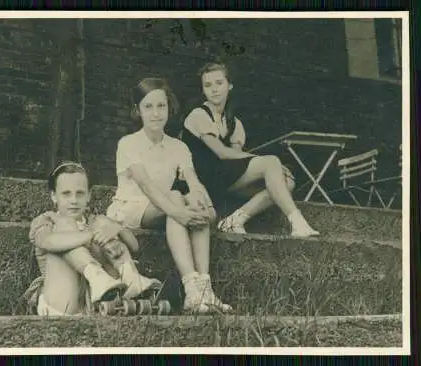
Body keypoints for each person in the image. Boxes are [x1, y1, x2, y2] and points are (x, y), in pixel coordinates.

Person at [106, 77, 232, 313]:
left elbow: (194, 182)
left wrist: (206, 207)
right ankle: (191, 289)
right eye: (148, 107)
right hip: (130, 208)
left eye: (161, 106)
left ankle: (204, 288)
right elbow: (146, 186)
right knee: (176, 198)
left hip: (165, 207)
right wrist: (180, 212)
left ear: (169, 108)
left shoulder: (178, 147)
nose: (156, 113)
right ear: (138, 111)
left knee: (191, 201)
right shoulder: (128, 143)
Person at [181, 62, 319, 237]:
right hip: (202, 179)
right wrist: (268, 163)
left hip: (223, 179)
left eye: (219, 83)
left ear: (229, 85)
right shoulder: (198, 115)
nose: (214, 89)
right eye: (207, 85)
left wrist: (272, 168)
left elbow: (237, 159)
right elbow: (222, 153)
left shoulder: (234, 123)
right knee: (271, 162)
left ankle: (235, 220)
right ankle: (298, 222)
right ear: (203, 90)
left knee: (287, 182)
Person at [22, 161, 161, 316]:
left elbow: (134, 246)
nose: (74, 200)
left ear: (89, 196)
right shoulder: (48, 220)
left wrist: (118, 228)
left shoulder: (94, 221)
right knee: (66, 225)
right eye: (66, 193)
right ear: (54, 196)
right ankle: (96, 276)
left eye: (80, 193)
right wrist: (90, 235)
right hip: (62, 300)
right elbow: (47, 241)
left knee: (103, 223)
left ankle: (131, 278)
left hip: (96, 301)